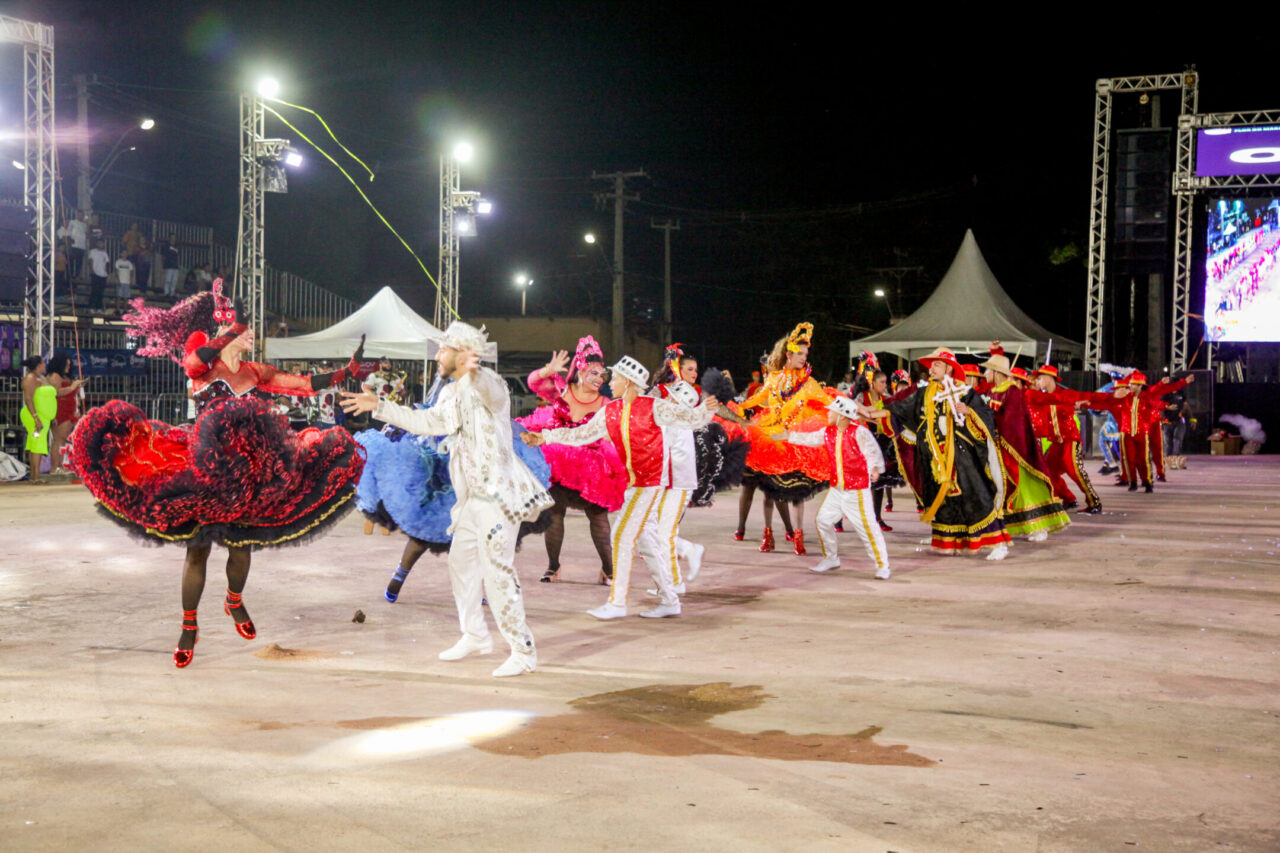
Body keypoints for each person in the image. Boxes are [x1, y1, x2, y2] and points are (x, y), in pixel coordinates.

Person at [71, 288, 374, 669]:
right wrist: (235, 328)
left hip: (246, 472)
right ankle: (189, 627)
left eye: (249, 329)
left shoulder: (254, 371)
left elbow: (302, 384)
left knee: (241, 545)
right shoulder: (203, 358)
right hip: (202, 465)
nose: (252, 334)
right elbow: (193, 363)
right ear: (228, 329)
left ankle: (234, 600)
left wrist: (347, 371)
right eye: (246, 329)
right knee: (197, 550)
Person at [342, 321, 553, 678]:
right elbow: (427, 422)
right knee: (461, 563)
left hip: (499, 496)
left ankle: (523, 650)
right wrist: (380, 406)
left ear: (462, 353)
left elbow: (490, 391)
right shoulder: (450, 394)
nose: (437, 355)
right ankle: (475, 635)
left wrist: (475, 370)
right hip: (472, 499)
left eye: (443, 349)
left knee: (498, 571)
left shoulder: (491, 385)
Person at [523, 356, 718, 620]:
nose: (609, 382)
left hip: (648, 484)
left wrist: (705, 410)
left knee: (621, 536)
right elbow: (580, 434)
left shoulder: (654, 406)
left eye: (614, 378)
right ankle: (669, 600)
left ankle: (617, 603)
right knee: (647, 542)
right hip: (633, 484)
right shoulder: (611, 410)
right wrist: (545, 437)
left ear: (628, 382)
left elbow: (689, 420)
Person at [882, 347, 1011, 559]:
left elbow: (987, 417)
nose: (931, 369)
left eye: (937, 365)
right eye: (931, 365)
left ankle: (998, 543)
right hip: (937, 459)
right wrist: (865, 411)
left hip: (963, 457)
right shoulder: (926, 393)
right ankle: (950, 542)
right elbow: (899, 409)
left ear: (949, 369)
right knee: (945, 501)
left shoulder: (965, 392)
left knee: (976, 497)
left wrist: (969, 412)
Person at [517, 336, 626, 584]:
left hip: (592, 469)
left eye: (602, 374)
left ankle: (609, 570)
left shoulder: (605, 403)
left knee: (598, 517)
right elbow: (534, 382)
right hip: (557, 465)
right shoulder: (562, 391)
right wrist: (548, 370)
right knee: (555, 513)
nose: (599, 379)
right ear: (580, 371)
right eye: (594, 373)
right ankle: (553, 567)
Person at [735, 322, 833, 554]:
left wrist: (854, 410)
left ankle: (798, 537)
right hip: (772, 440)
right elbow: (756, 400)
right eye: (801, 354)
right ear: (788, 354)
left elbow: (830, 402)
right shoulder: (774, 379)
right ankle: (768, 536)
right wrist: (735, 407)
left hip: (795, 441)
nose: (804, 358)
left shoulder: (808, 383)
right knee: (769, 494)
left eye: (806, 355)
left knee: (797, 493)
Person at [775, 395, 891, 579]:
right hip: (837, 490)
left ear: (842, 415)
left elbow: (872, 452)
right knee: (823, 521)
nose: (828, 413)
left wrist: (875, 468)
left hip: (856, 492)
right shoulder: (828, 432)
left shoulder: (859, 432)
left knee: (868, 529)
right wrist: (789, 436)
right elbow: (810, 438)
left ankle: (882, 565)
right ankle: (831, 558)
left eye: (832, 411)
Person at [979, 352, 1071, 541]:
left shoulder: (1012, 392)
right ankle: (1005, 526)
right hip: (996, 448)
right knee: (1001, 487)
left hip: (1014, 448)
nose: (984, 373)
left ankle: (1038, 527)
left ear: (996, 372)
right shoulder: (990, 392)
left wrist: (994, 422)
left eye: (987, 370)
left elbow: (1015, 421)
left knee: (1024, 486)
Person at [45, 354, 87, 475]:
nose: (68, 367)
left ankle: (60, 466)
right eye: (66, 365)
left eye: (69, 365)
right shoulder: (55, 375)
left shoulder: (65, 376)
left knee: (64, 441)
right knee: (59, 440)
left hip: (71, 410)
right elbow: (56, 392)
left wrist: (77, 386)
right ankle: (54, 468)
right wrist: (73, 386)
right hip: (60, 410)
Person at [20, 356, 59, 484]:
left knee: (35, 443)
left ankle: (34, 475)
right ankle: (35, 476)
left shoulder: (41, 378)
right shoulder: (30, 378)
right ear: (38, 365)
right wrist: (36, 417)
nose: (45, 365)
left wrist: (51, 416)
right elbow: (28, 399)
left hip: (43, 417)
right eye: (43, 363)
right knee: (37, 444)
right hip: (34, 416)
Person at [87, 240, 111, 311]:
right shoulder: (93, 251)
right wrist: (92, 271)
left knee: (101, 292)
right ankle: (91, 307)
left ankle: (98, 307)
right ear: (97, 244)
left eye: (102, 243)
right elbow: (90, 261)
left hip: (103, 275)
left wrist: (107, 273)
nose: (100, 244)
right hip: (95, 273)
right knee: (94, 291)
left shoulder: (104, 253)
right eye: (99, 243)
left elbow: (107, 263)